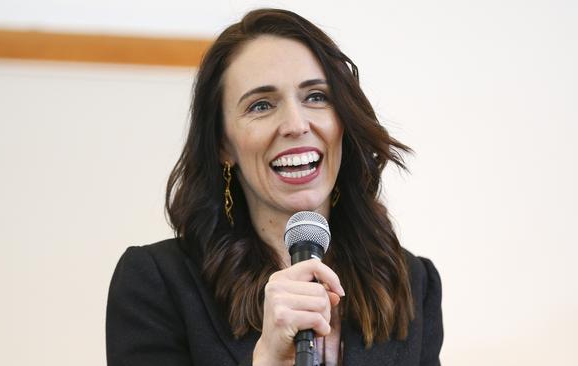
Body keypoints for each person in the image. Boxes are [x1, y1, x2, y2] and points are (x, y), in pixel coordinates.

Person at [106, 8, 443, 366]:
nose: (296, 125)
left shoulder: (411, 282)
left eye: (316, 96)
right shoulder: (157, 283)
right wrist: (266, 358)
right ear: (223, 144)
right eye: (261, 105)